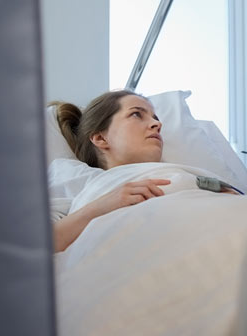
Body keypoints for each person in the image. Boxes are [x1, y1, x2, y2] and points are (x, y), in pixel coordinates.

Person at [49, 90, 173, 251]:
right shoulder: (75, 177)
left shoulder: (180, 173)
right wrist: (104, 204)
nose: (158, 124)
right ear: (101, 138)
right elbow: (34, 246)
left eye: (155, 118)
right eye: (136, 114)